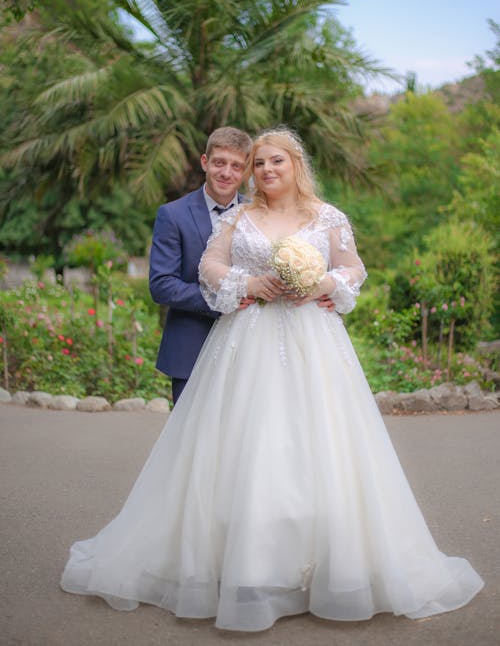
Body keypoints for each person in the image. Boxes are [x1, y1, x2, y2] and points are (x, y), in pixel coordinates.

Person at [61, 127, 483, 632]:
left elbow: (354, 267)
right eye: (258, 163)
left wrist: (326, 282)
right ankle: (243, 566)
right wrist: (248, 283)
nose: (265, 171)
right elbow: (210, 264)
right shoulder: (241, 216)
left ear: (295, 164)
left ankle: (324, 567)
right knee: (247, 447)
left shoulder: (328, 217)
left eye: (274, 161)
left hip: (315, 343)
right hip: (248, 340)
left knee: (319, 446)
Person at [149, 126, 252, 404]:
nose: (226, 173)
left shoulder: (259, 214)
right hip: (191, 349)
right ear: (205, 162)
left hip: (251, 351)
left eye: (236, 166)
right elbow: (162, 285)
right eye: (219, 162)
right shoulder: (172, 215)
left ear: (245, 172)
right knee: (190, 443)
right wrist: (221, 301)